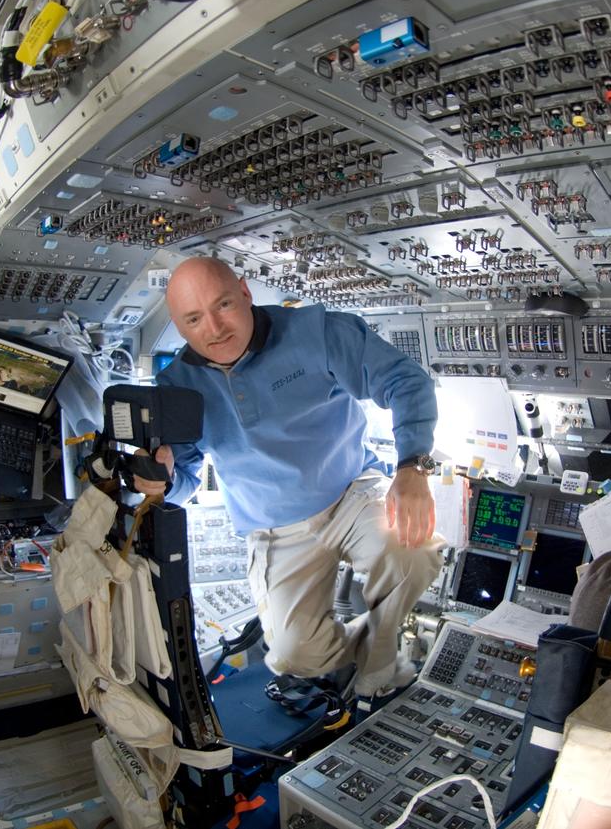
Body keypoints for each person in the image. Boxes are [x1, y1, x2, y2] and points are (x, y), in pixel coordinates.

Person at [135, 256, 444, 707]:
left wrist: (413, 466)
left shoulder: (316, 332)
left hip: (351, 492)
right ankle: (370, 642)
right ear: (179, 327)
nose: (215, 328)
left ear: (244, 290)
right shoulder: (175, 387)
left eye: (223, 305)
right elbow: (182, 483)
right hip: (275, 530)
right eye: (194, 319)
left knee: (413, 552)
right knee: (296, 656)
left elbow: (405, 380)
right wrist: (159, 483)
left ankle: (378, 667)